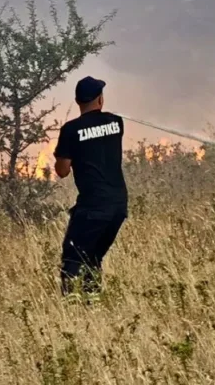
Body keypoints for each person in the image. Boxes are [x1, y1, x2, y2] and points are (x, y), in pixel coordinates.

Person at [53, 76, 128, 300]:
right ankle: (92, 303)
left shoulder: (70, 130)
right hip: (118, 205)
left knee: (72, 258)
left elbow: (62, 171)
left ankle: (70, 306)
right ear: (100, 99)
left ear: (77, 101)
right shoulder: (117, 122)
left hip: (93, 205)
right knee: (93, 258)